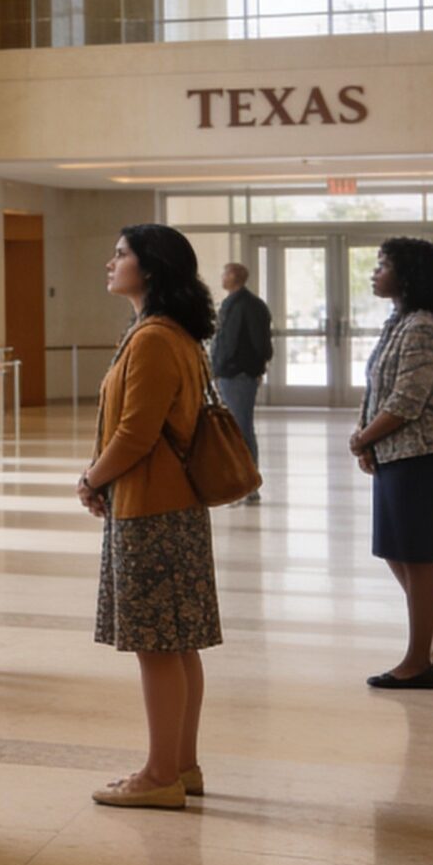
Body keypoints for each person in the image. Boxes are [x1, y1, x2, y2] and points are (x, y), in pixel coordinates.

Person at [76, 225, 222, 811]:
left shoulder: (155, 338)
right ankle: (181, 764)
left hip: (152, 510)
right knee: (177, 643)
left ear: (151, 268)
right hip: (170, 506)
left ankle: (160, 772)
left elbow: (136, 432)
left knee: (158, 647)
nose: (110, 262)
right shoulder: (165, 333)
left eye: (121, 254)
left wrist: (92, 478)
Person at [350, 237, 433, 691]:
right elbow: (379, 391)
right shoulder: (399, 321)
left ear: (408, 276)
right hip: (394, 453)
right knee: (396, 551)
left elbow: (408, 401)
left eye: (383, 265)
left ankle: (419, 661)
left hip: (419, 454)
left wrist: (364, 437)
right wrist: (369, 441)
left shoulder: (422, 326)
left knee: (418, 557)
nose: (375, 272)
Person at [212, 262, 271, 501]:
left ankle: (249, 483)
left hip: (239, 375)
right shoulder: (231, 304)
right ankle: (239, 480)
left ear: (234, 276)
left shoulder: (249, 306)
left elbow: (259, 343)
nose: (222, 278)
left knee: (241, 428)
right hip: (228, 374)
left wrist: (252, 368)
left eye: (224, 273)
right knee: (234, 428)